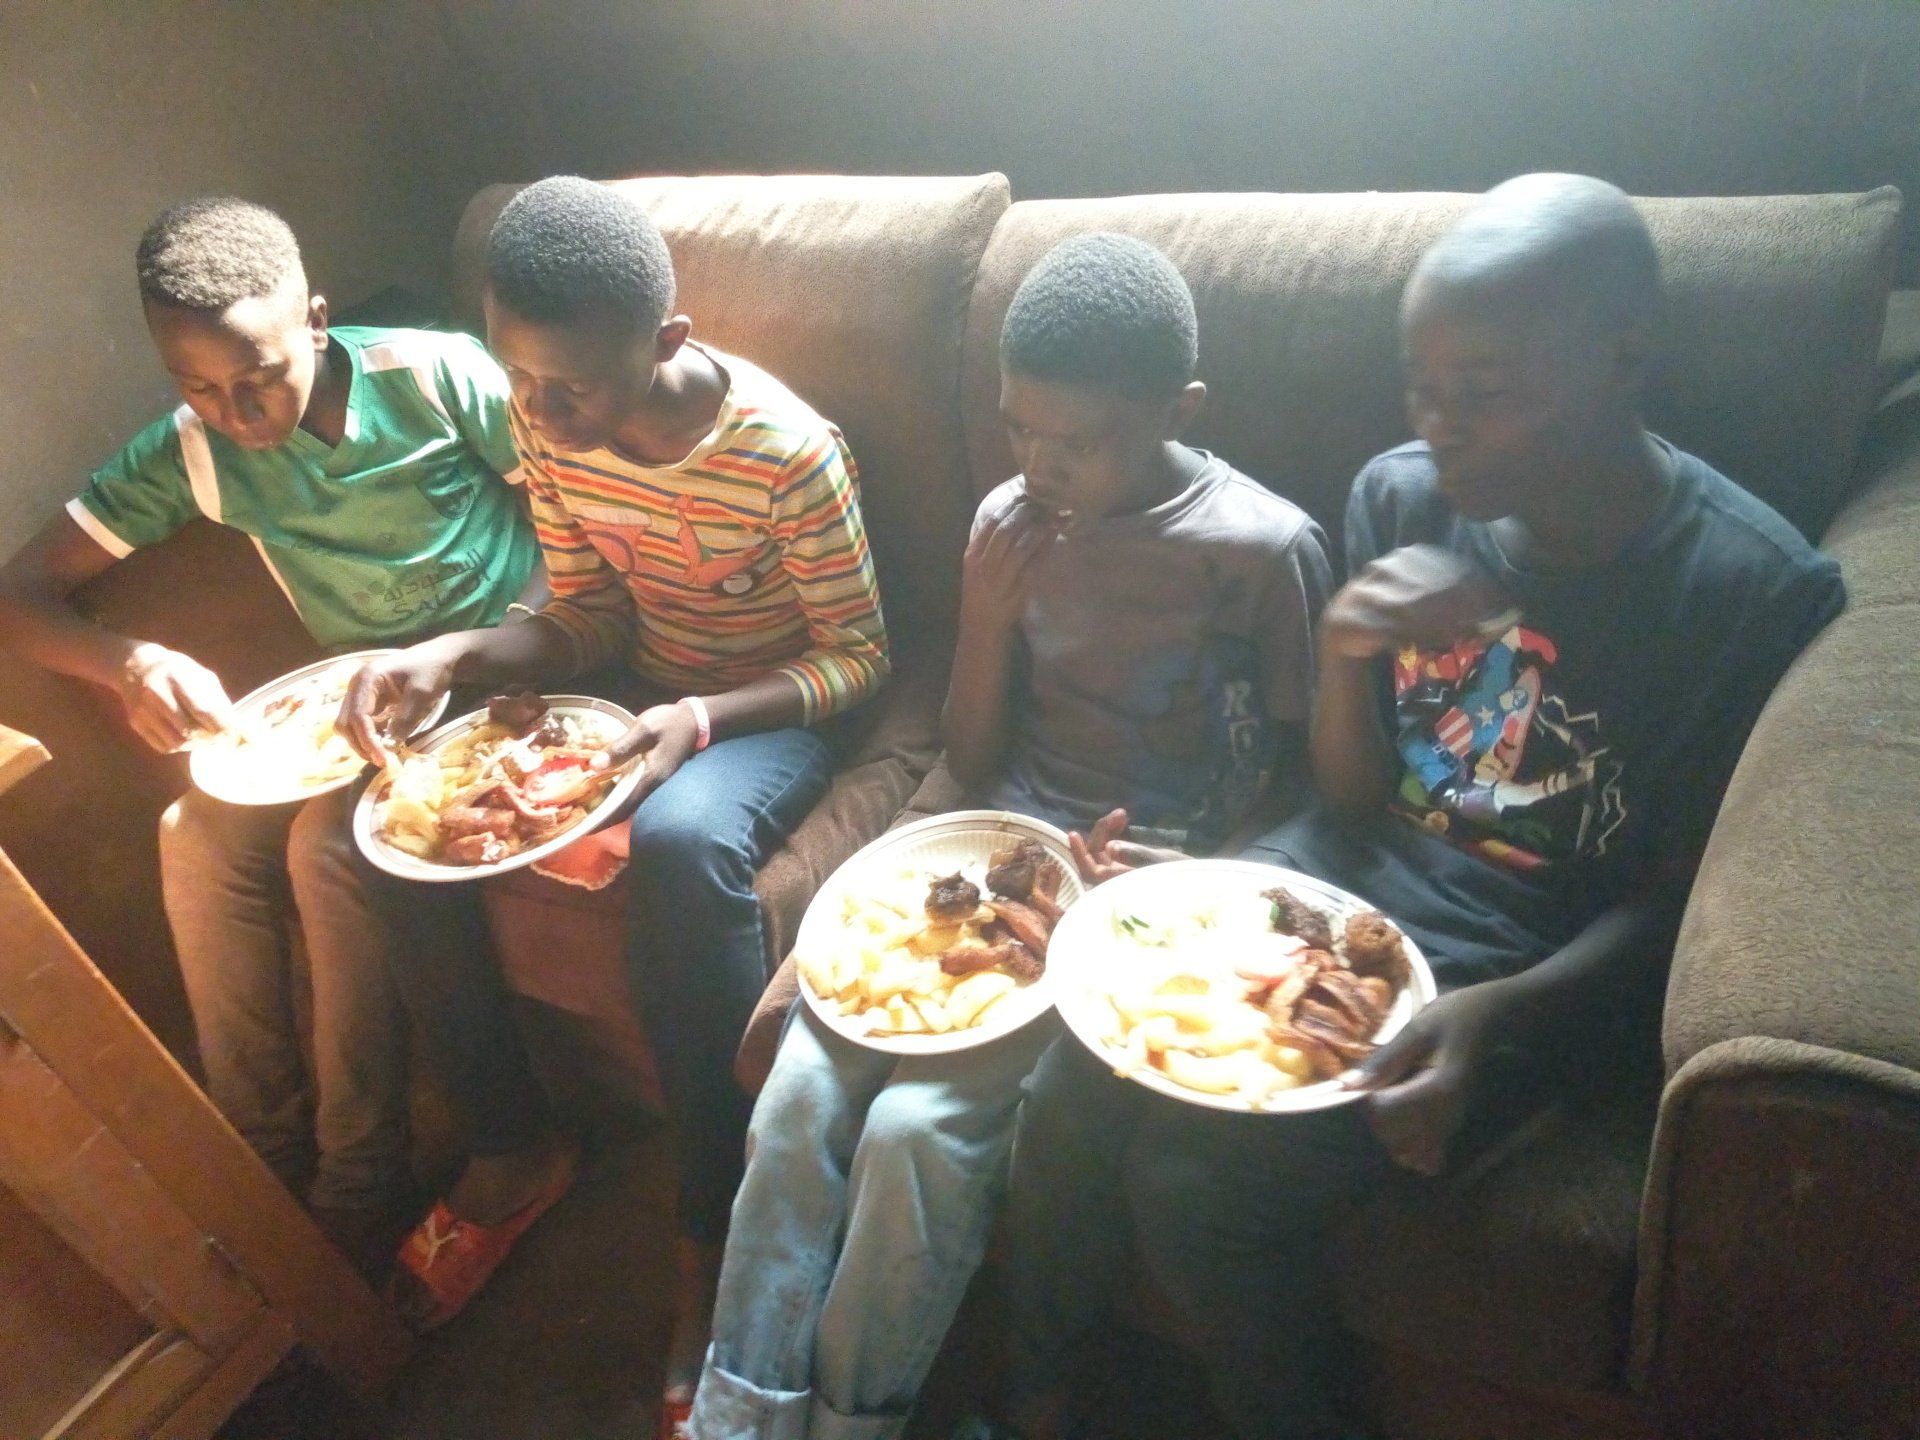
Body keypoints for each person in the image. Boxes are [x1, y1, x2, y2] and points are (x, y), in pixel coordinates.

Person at [970, 174, 1849, 1440]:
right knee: (1072, 1079)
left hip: (1523, 955)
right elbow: (1349, 802)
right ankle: (1040, 1394)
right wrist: (1340, 651)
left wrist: (1507, 1017)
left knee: (1194, 1181)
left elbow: (1690, 906)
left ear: (1626, 356)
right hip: (1344, 872)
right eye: (1422, 389)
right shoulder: (1398, 496)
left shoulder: (1749, 594)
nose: (1442, 429)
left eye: (1482, 394)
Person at [687, 233, 1333, 1440]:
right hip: (988, 844)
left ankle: (852, 1415)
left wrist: (1201, 879)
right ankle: (741, 1412)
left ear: (1181, 410)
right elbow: (973, 759)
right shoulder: (1010, 518)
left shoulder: (1261, 551)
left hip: (1131, 889)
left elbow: (1303, 785)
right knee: (791, 1104)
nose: (1037, 464)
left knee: (916, 1136)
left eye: (1073, 441)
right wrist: (984, 615)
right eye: (1016, 430)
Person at [338, 178, 891, 1349]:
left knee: (683, 843)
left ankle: (715, 1228)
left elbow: (859, 657)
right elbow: (584, 614)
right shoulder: (550, 420)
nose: (535, 407)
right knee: (391, 819)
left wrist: (697, 719)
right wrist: (454, 653)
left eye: (568, 385)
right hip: (641, 686)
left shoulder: (785, 452)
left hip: (770, 705)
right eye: (516, 376)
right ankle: (511, 1140)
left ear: (667, 344)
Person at [0, 197, 540, 1276]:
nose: (237, 414)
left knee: (327, 853)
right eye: (198, 386)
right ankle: (259, 1169)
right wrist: (127, 661)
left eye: (259, 379)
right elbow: (20, 593)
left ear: (319, 323)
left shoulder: (436, 379)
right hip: (350, 711)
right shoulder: (197, 452)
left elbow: (576, 522)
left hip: (494, 672)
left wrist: (495, 645)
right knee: (191, 837)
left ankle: (357, 1181)